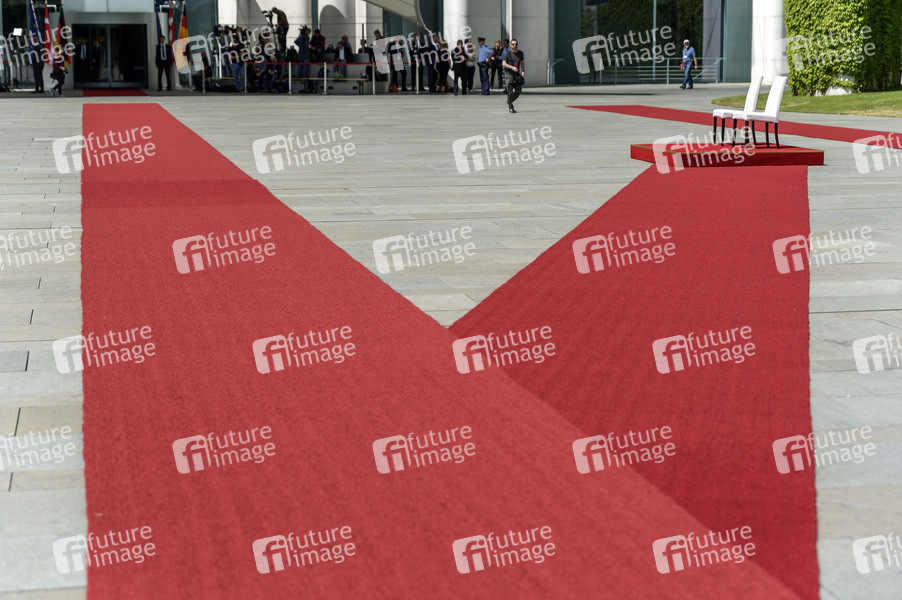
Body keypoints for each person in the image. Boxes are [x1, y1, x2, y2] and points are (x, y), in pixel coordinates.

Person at [501, 38, 524, 113]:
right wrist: (512, 67)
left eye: (516, 44)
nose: (514, 45)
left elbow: (522, 62)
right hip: (508, 74)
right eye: (513, 44)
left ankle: (509, 101)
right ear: (510, 45)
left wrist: (523, 71)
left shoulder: (520, 53)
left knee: (518, 91)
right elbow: (503, 63)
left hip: (516, 75)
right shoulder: (507, 53)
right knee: (510, 91)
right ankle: (511, 107)